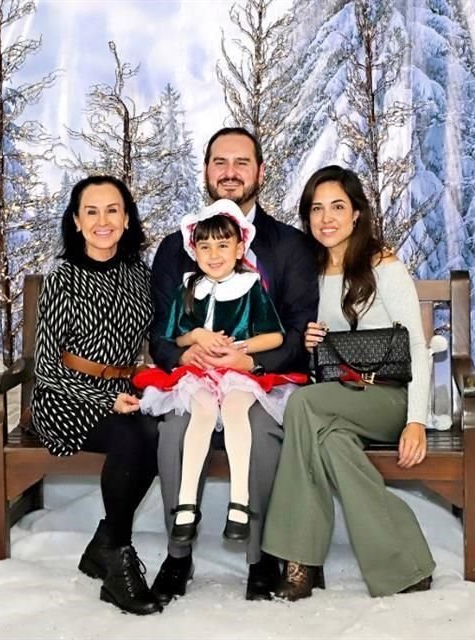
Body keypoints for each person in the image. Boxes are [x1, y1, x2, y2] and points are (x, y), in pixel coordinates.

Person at [149, 128, 319, 603]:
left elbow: (299, 332)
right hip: (196, 377)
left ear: (260, 172)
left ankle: (261, 557)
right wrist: (185, 351)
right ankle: (177, 554)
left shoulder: (289, 246)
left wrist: (249, 357)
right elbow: (160, 334)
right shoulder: (174, 248)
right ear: (206, 171)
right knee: (174, 431)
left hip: (260, 378)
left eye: (241, 162)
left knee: (262, 432)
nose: (229, 172)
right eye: (219, 162)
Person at [261, 165, 436, 600]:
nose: (326, 218)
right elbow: (302, 342)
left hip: (387, 397)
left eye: (338, 206)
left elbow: (417, 344)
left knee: (302, 406)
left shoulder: (383, 265)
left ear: (357, 213)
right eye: (316, 209)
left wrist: (416, 420)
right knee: (331, 442)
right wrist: (310, 339)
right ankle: (406, 563)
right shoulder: (310, 271)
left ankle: (300, 561)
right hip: (338, 399)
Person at [135, 199, 305, 545]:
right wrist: (194, 336)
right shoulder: (188, 288)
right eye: (205, 246)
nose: (214, 254)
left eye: (223, 245)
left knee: (235, 407)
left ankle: (240, 500)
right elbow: (170, 336)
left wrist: (241, 350)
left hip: (237, 373)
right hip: (198, 374)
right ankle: (186, 504)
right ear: (193, 250)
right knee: (202, 410)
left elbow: (275, 335)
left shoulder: (250, 287)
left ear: (240, 247)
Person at [30, 175, 162, 615]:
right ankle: (118, 557)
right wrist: (103, 399)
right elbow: (46, 367)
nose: (102, 220)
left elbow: (159, 336)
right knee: (130, 436)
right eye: (91, 211)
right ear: (76, 221)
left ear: (126, 219)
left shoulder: (138, 274)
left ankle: (105, 542)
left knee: (153, 432)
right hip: (65, 396)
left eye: (112, 210)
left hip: (123, 389)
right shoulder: (63, 278)